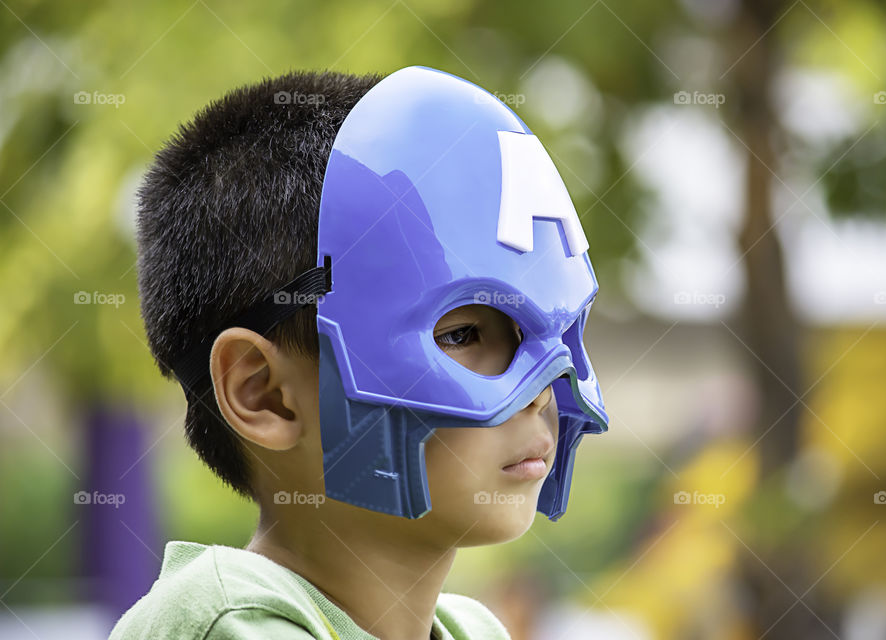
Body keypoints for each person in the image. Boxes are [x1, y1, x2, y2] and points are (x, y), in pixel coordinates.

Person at [109, 64, 608, 640]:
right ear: (265, 394)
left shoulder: (472, 629)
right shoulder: (225, 620)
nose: (542, 391)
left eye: (552, 334)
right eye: (462, 334)